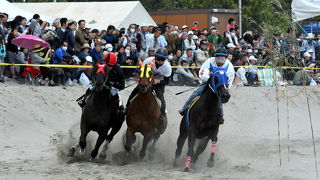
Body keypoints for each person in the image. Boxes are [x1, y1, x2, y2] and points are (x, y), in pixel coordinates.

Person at [178, 47, 235, 124]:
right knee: (197, 92)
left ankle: (221, 116)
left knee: (220, 99)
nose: (220, 62)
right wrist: (207, 78)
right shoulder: (210, 61)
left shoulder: (229, 66)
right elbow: (203, 71)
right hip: (209, 82)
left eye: (222, 59)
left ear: (225, 58)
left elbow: (230, 79)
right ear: (215, 57)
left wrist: (225, 87)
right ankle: (184, 108)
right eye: (218, 59)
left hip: (220, 86)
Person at [125, 48, 172, 132]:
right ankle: (126, 109)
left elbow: (166, 80)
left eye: (162, 59)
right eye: (158, 58)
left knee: (161, 99)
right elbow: (140, 71)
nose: (160, 61)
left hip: (158, 84)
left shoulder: (167, 67)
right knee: (134, 92)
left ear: (165, 59)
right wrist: (140, 79)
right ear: (155, 57)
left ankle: (161, 116)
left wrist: (159, 81)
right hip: (145, 81)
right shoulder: (147, 61)